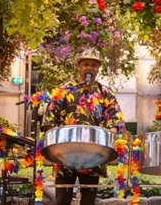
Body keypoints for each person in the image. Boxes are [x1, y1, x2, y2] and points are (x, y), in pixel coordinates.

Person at [42, 48, 124, 205]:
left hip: (93, 157)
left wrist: (107, 142)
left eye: (94, 65)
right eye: (86, 64)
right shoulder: (64, 90)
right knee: (62, 200)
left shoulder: (105, 93)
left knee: (89, 201)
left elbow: (116, 121)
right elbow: (49, 120)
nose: (90, 68)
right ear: (79, 67)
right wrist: (57, 148)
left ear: (98, 69)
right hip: (65, 156)